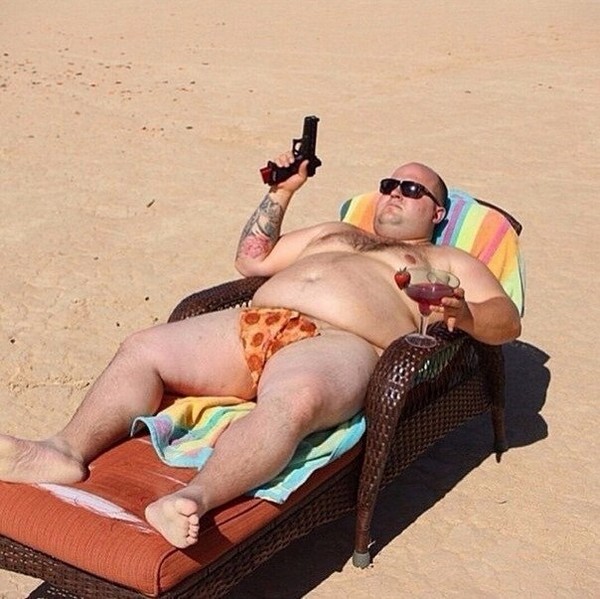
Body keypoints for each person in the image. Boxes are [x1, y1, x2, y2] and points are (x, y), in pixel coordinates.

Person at [0, 152, 521, 548]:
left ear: (437, 211)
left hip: (340, 340)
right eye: (388, 186)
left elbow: (506, 321)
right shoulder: (337, 231)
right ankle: (64, 451)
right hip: (256, 321)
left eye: (411, 189)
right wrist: (282, 192)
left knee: (293, 402)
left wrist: (464, 315)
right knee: (142, 347)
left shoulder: (447, 260)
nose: (393, 196)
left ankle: (191, 498)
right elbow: (252, 260)